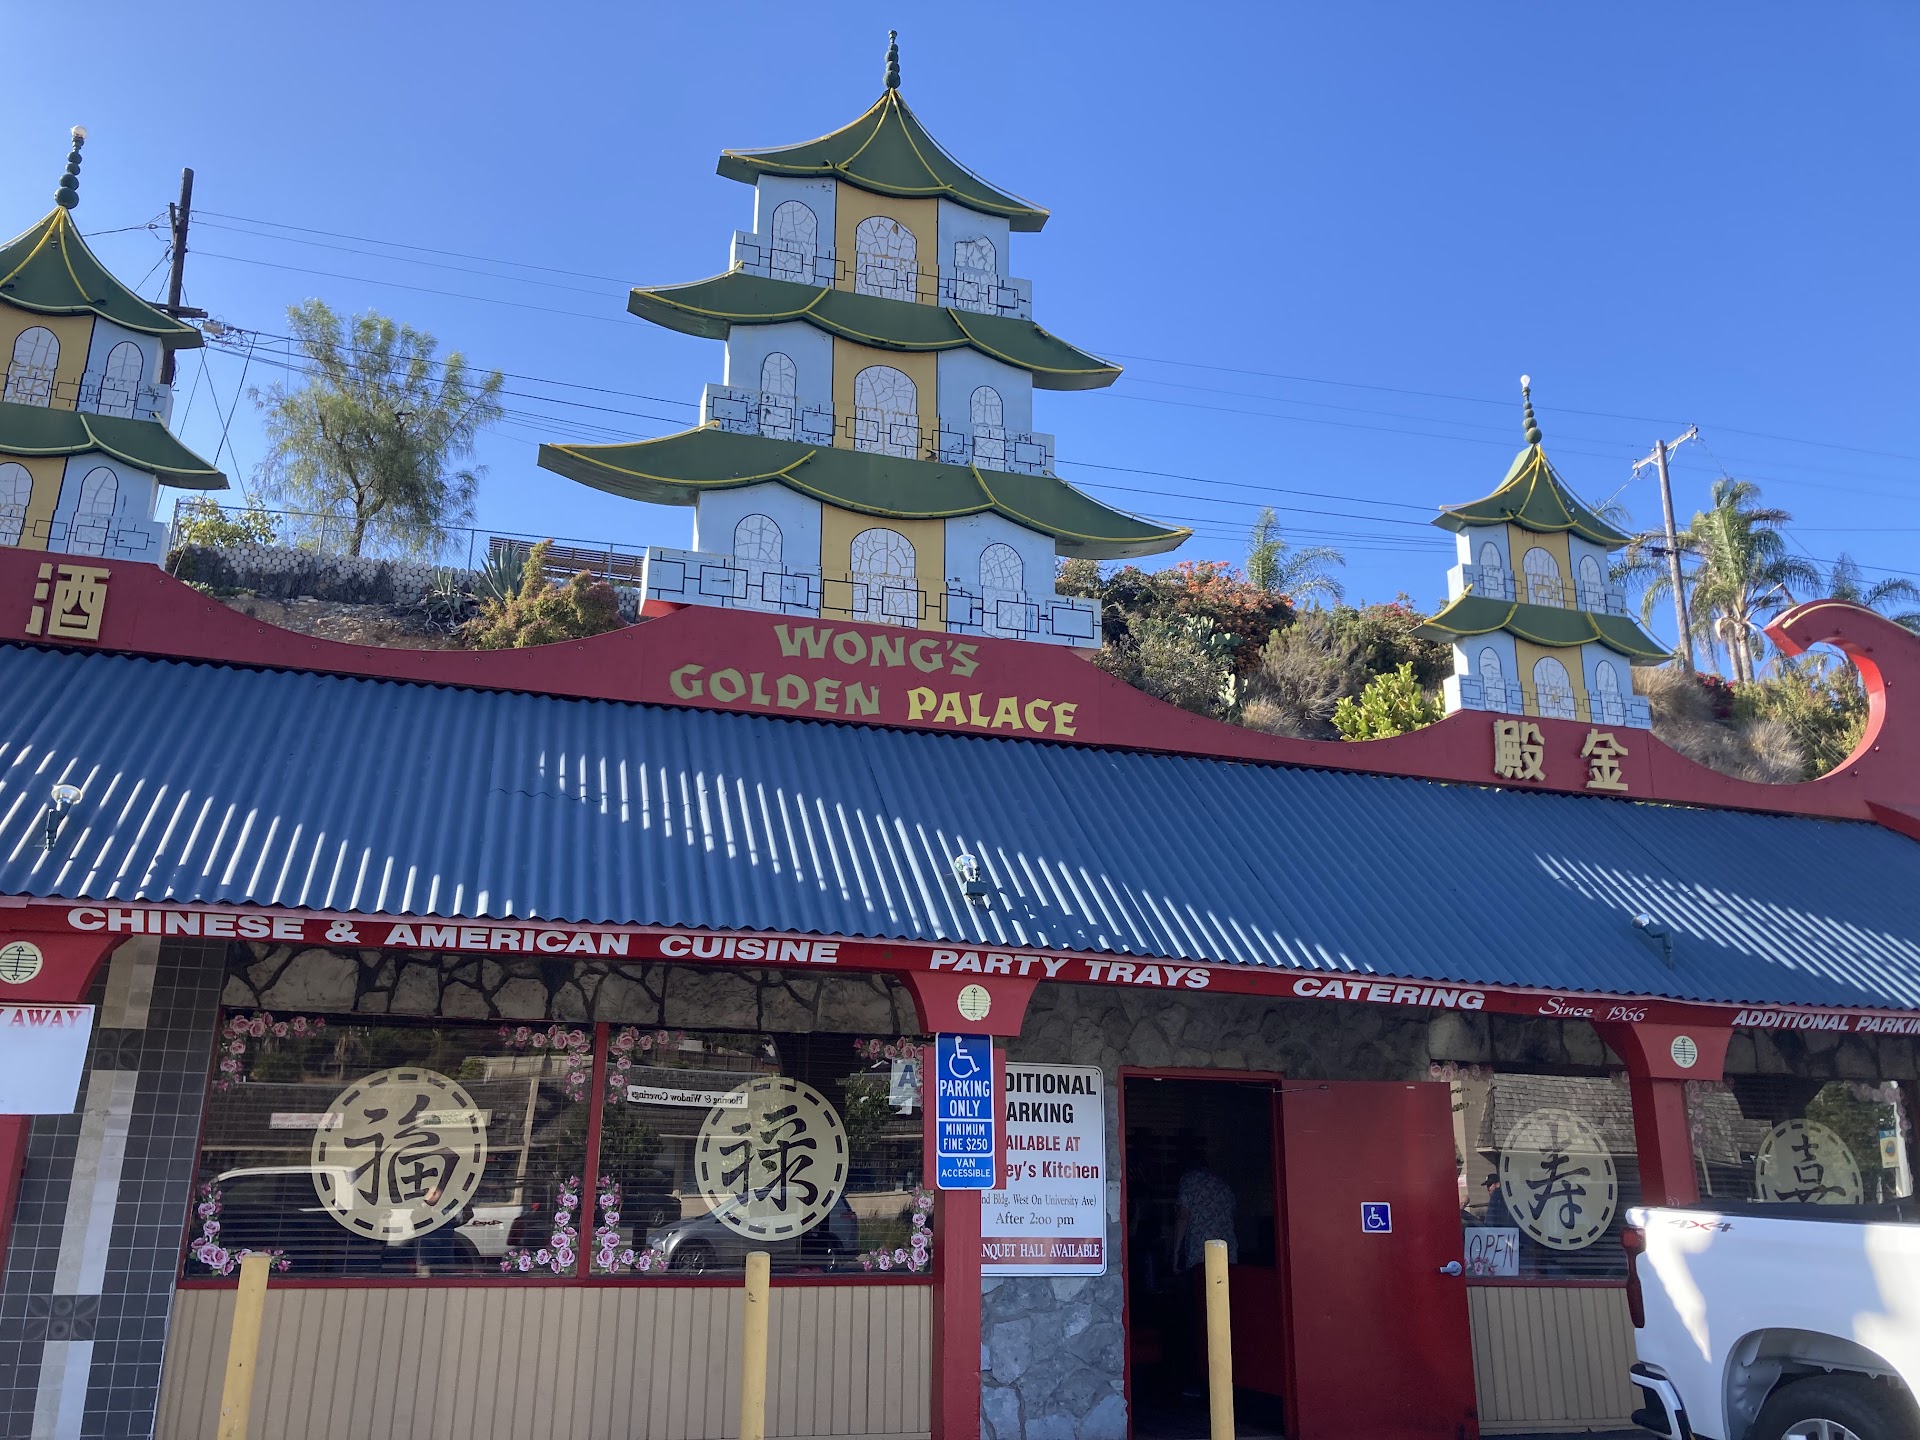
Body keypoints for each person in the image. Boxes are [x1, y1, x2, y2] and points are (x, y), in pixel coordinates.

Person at [1169, 1145, 1237, 1398]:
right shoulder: (1223, 1185)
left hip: (1201, 1259)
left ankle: (1198, 1383)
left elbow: (1183, 1216)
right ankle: (1225, 1383)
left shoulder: (1189, 1181)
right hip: (1230, 1260)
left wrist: (1175, 1253)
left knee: (1196, 1322)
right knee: (1224, 1322)